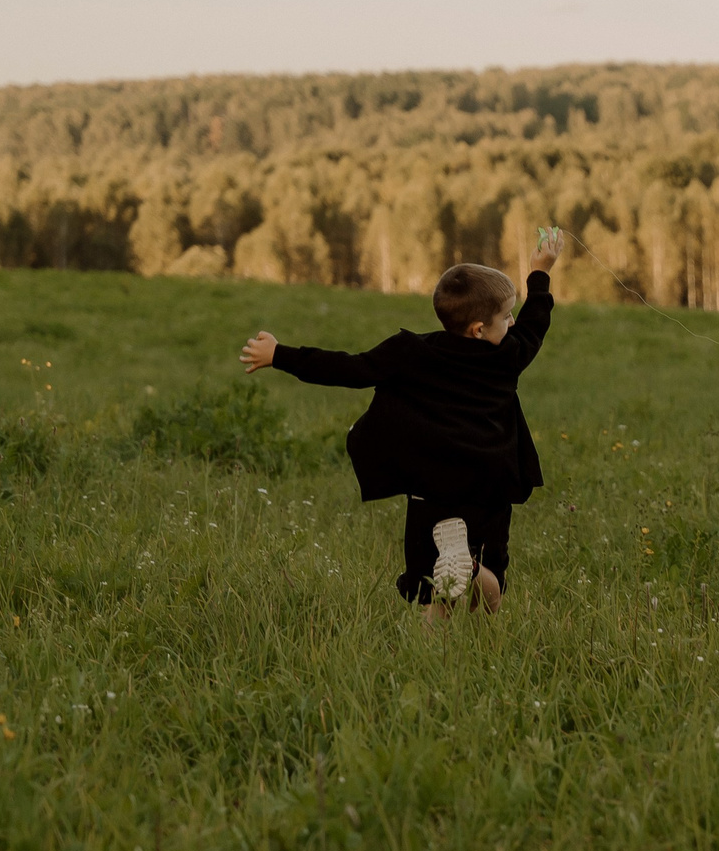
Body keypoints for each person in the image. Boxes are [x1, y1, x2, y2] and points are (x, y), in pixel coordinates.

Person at [238, 236, 558, 617]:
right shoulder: (506, 357)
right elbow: (535, 326)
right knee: (491, 595)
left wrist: (279, 354)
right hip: (489, 487)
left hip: (430, 488)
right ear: (478, 330)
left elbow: (349, 368)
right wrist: (540, 272)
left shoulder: (411, 352)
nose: (513, 323)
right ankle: (471, 567)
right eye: (506, 317)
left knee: (434, 593)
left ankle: (436, 628)